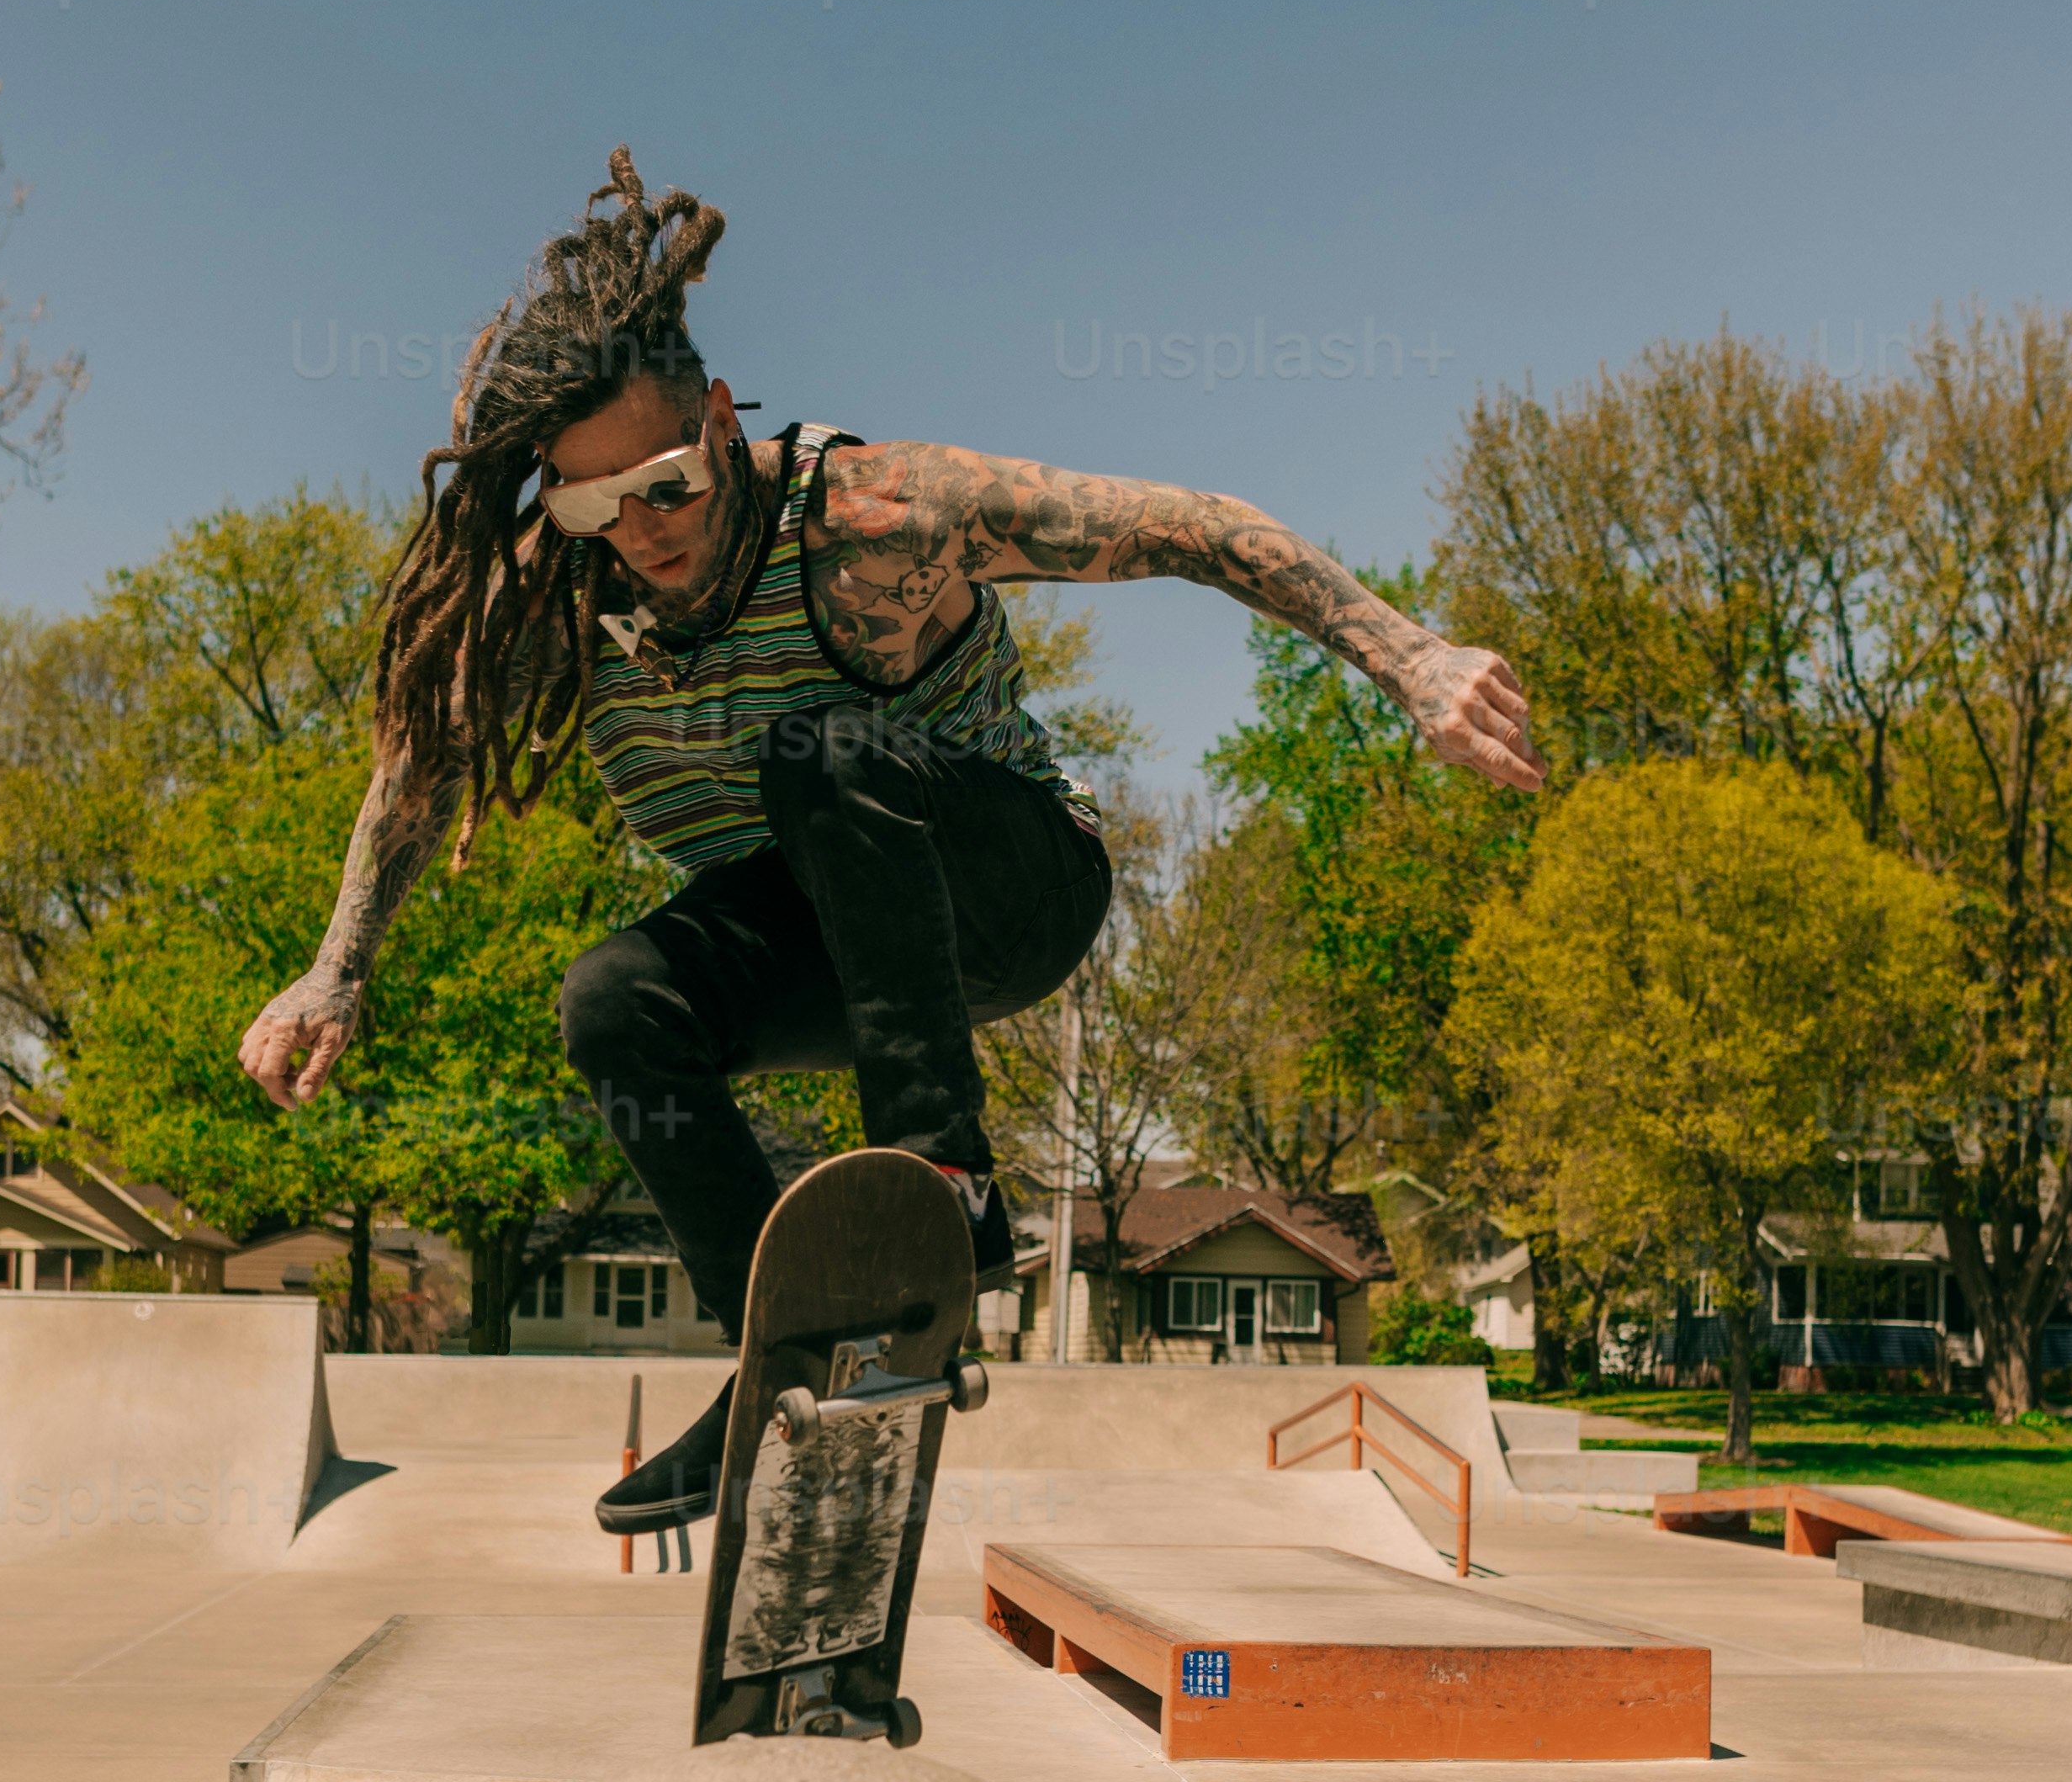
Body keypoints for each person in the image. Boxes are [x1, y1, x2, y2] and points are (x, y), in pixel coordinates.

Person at [238, 149, 1541, 1526]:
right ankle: (782, 1355)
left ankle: (941, 1191)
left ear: (723, 421)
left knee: (826, 752)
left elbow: (1192, 528)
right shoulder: (556, 591)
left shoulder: (876, 515)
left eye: (668, 483)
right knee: (614, 1000)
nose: (640, 530)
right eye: (590, 502)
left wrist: (1409, 658)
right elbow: (423, 760)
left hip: (1008, 887)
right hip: (839, 941)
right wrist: (339, 964)